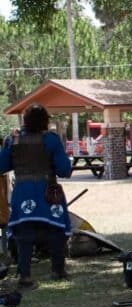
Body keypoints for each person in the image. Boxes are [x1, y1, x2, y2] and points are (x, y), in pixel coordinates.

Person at [0, 104, 72, 290]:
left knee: (24, 235)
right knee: (56, 230)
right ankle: (58, 270)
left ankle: (25, 276)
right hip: (47, 192)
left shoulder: (13, 140)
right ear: (45, 121)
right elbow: (64, 170)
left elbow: (1, 165)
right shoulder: (51, 140)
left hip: (23, 194)